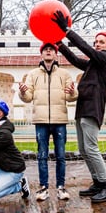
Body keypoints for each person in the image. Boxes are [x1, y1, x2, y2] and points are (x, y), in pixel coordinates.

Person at [51, 10, 106, 203]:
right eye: (96, 42)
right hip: (82, 108)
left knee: (91, 148)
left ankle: (105, 185)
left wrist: (66, 30)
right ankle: (97, 182)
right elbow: (75, 60)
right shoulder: (93, 64)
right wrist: (59, 43)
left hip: (93, 109)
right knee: (83, 149)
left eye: (101, 42)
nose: (97, 44)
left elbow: (87, 51)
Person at [19, 42, 78, 201]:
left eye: (51, 49)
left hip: (60, 120)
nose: (48, 51)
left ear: (56, 54)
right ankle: (43, 188)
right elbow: (28, 97)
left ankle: (61, 187)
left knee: (60, 156)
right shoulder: (32, 74)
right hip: (41, 121)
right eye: (46, 49)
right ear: (42, 54)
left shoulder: (64, 74)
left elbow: (71, 96)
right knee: (42, 156)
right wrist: (23, 92)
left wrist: (73, 92)